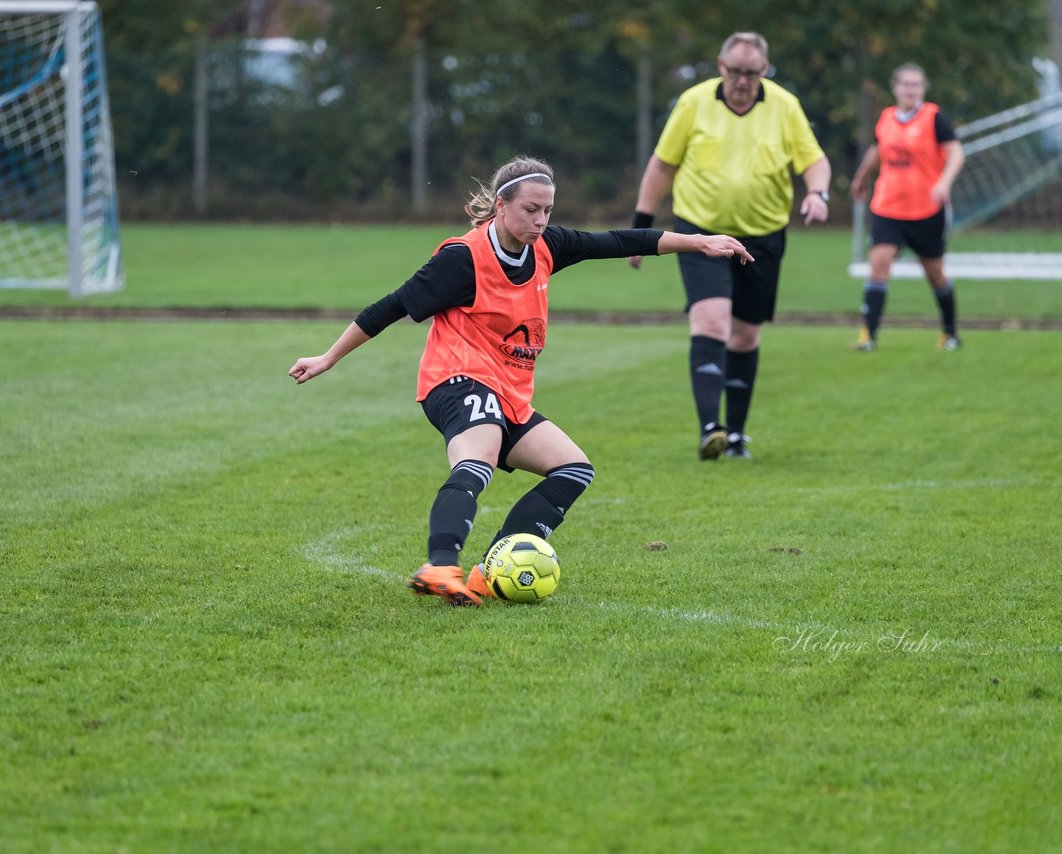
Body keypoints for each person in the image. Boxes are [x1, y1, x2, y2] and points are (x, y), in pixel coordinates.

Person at [289, 156, 751, 606]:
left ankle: (490, 571)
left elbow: (617, 240)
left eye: (548, 210)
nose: (540, 221)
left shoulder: (547, 245)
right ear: (501, 205)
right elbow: (389, 307)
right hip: (456, 379)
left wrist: (700, 243)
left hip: (509, 393)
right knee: (478, 459)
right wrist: (329, 357)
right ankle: (440, 566)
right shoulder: (462, 259)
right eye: (531, 210)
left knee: (573, 469)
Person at [629, 31, 830, 461]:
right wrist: (640, 229)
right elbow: (662, 166)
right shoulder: (693, 103)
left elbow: (814, 161)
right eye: (735, 71)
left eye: (752, 73)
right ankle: (710, 429)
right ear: (721, 67)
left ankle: (736, 435)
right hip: (701, 232)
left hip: (763, 235)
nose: (742, 80)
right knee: (711, 320)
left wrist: (818, 193)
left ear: (764, 71)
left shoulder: (784, 105)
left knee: (744, 336)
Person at [849, 62, 966, 352]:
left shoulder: (933, 117)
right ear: (895, 87)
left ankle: (950, 333)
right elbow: (877, 150)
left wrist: (944, 183)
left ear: (923, 88)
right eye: (905, 84)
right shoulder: (887, 117)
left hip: (926, 210)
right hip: (887, 207)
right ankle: (868, 336)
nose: (910, 89)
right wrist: (861, 178)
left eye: (916, 84)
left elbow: (956, 153)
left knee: (935, 273)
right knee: (879, 265)